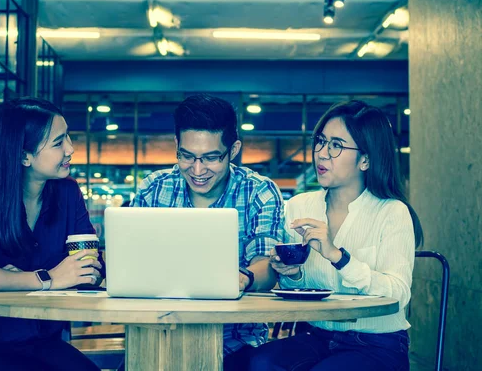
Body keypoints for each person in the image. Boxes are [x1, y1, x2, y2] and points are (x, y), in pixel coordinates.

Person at [248, 100, 423, 371]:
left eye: (336, 145)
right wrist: (291, 273)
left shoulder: (392, 212)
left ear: (365, 159)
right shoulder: (298, 206)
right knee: (261, 363)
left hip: (377, 344)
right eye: (321, 141)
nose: (321, 153)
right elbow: (296, 290)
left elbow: (399, 295)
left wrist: (338, 257)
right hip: (318, 336)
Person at [0, 98, 103, 371]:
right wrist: (47, 278)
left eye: (68, 137)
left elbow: (91, 269)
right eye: (58, 142)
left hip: (41, 343)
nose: (71, 149)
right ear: (23, 156)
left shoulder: (67, 192)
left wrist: (88, 272)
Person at [132, 94, 286, 370]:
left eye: (211, 158)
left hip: (236, 342)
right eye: (187, 156)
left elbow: (267, 267)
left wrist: (241, 278)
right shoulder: (153, 188)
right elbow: (132, 262)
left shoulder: (258, 192)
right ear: (176, 145)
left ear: (234, 149)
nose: (198, 170)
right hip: (159, 337)